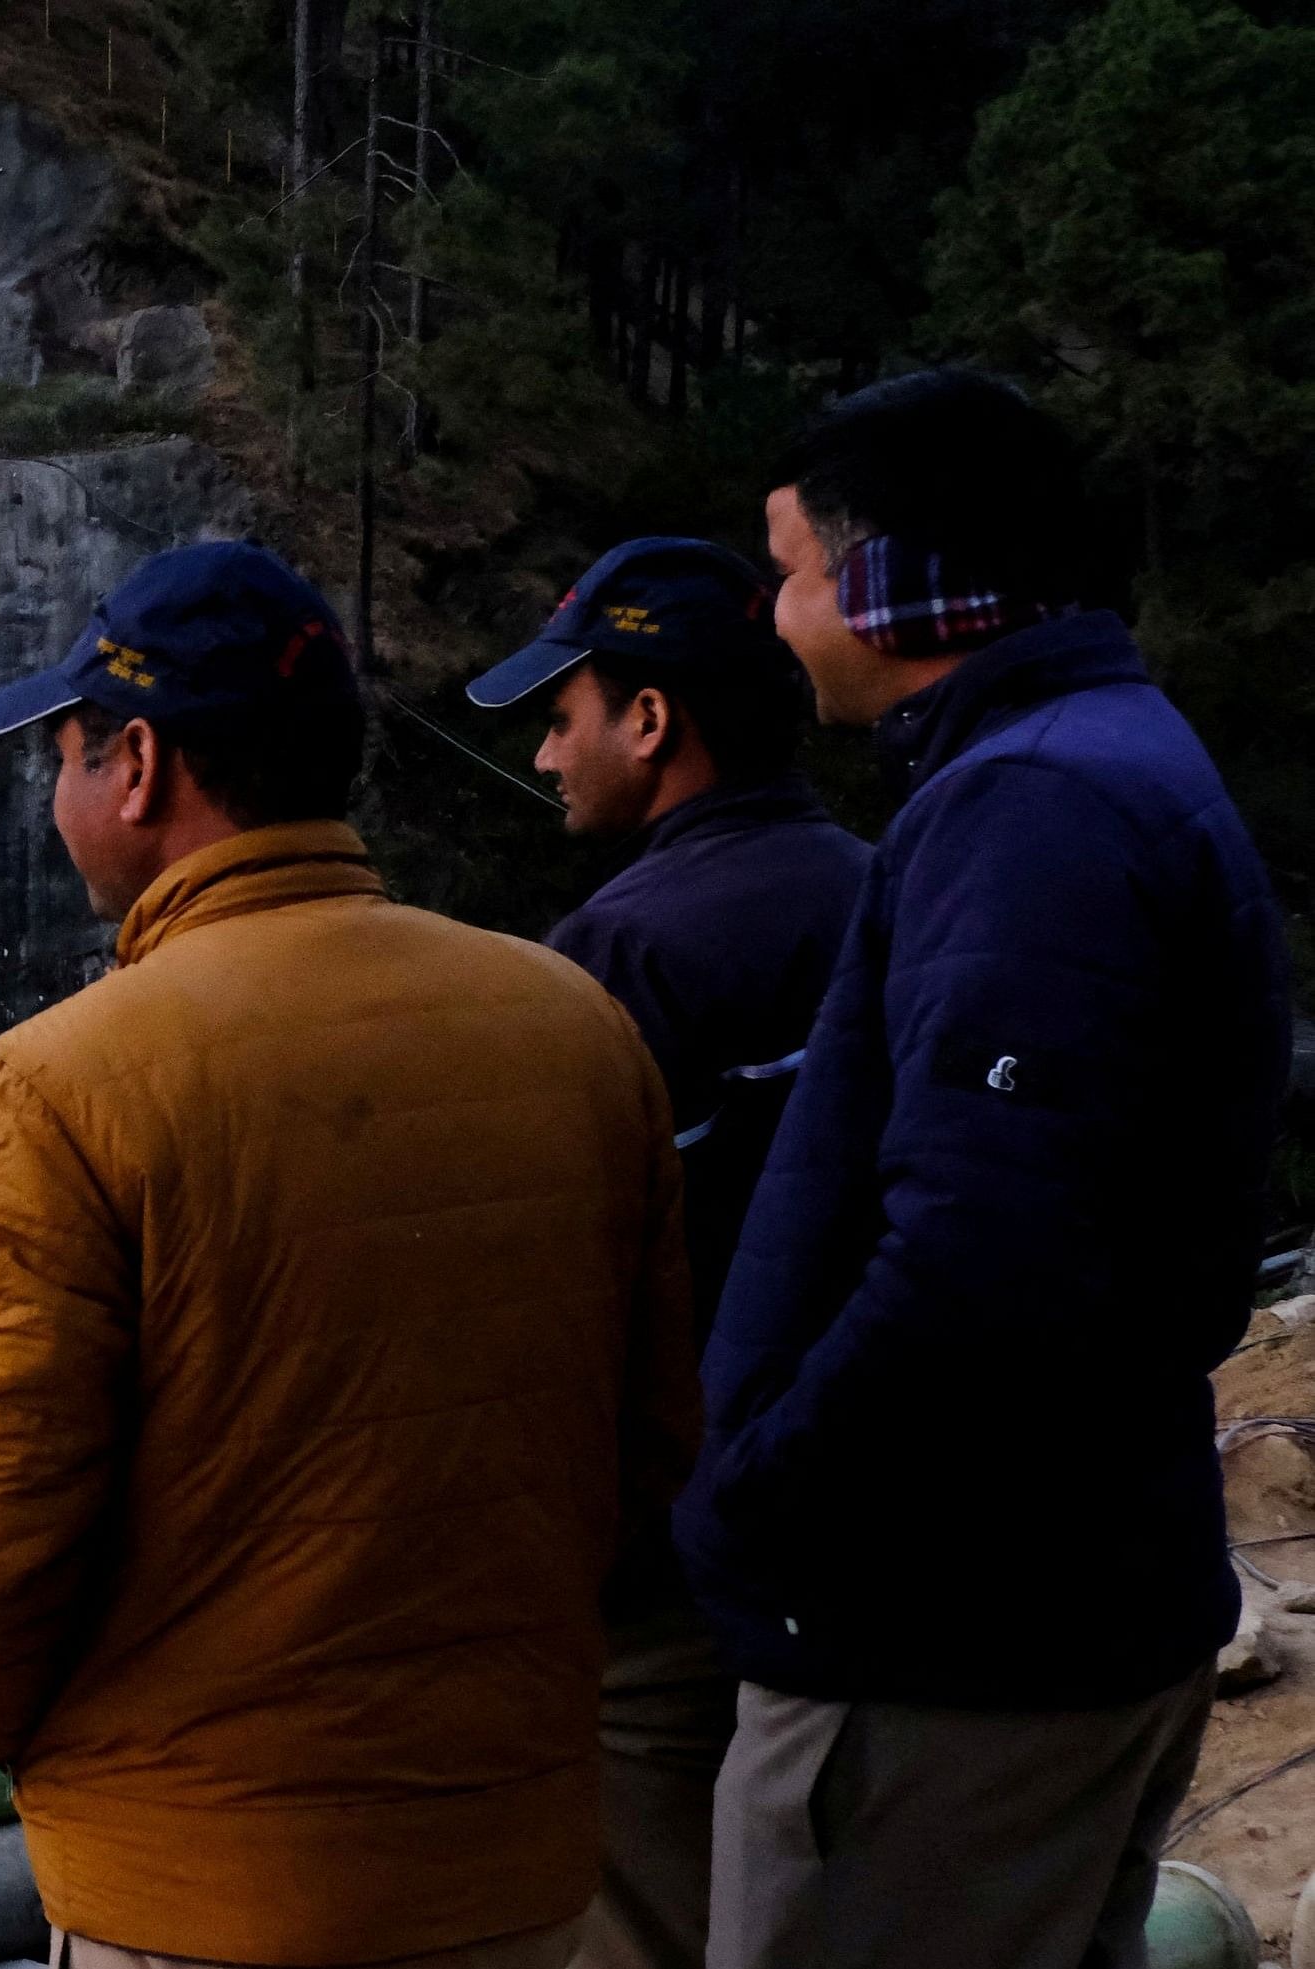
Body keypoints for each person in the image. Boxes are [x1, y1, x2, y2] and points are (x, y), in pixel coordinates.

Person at [0, 540, 699, 1969]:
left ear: (137, 766)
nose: (59, 794)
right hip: (512, 1870)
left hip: (208, 1886)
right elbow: (644, 1455)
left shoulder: (61, 1083)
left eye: (67, 755)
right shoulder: (573, 1023)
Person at [682, 369, 1287, 1969]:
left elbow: (978, 1261)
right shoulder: (1088, 760)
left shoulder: (1034, 810)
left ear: (893, 585)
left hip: (945, 1656)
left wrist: (757, 1492)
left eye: (796, 565)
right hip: (1048, 1602)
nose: (776, 608)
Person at [464, 539, 872, 1969]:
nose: (544, 748)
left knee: (644, 1919)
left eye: (565, 711)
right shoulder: (877, 888)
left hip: (669, 1562)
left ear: (652, 722)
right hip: (850, 1518)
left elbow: (551, 1283)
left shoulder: (626, 950)